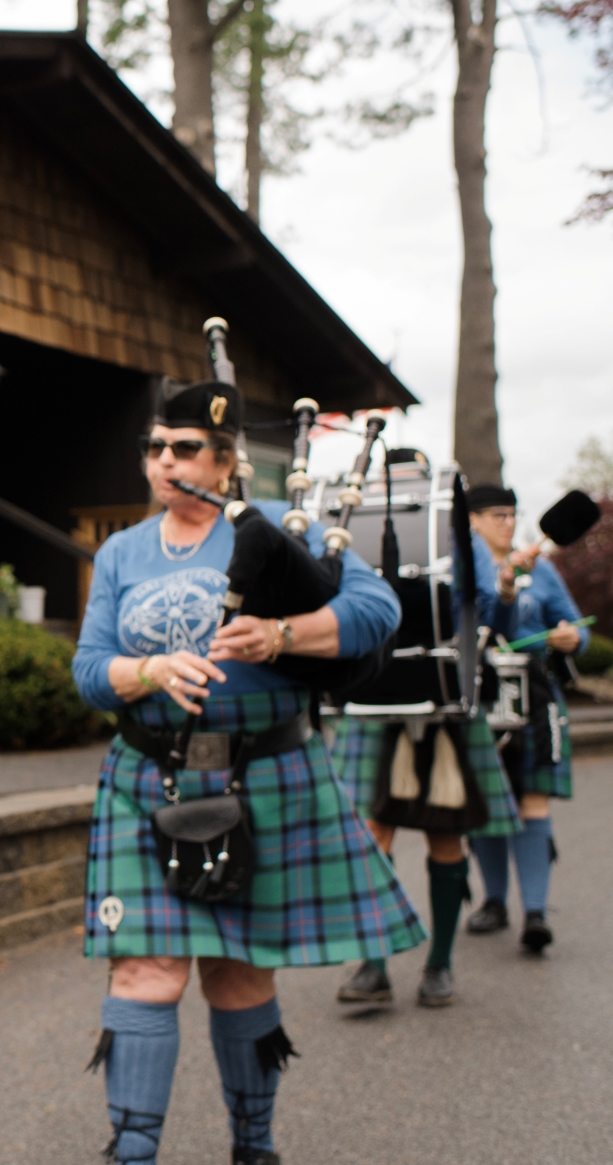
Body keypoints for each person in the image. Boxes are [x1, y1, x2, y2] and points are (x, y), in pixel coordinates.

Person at [73, 381, 418, 1165]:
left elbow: (377, 613)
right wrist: (151, 669)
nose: (165, 460)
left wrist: (282, 634)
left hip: (264, 774)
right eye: (155, 446)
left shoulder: (282, 537)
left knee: (237, 975)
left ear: (226, 464)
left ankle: (254, 1148)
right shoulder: (123, 551)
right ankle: (131, 1152)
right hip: (148, 777)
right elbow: (90, 670)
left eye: (184, 447)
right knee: (146, 972)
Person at [328, 472, 523, 1009]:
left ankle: (439, 964)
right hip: (374, 700)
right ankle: (373, 963)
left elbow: (493, 615)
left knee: (445, 836)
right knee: (373, 835)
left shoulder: (458, 535)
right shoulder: (349, 537)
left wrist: (506, 590)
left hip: (445, 701)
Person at [462, 484, 587, 953]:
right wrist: (506, 583)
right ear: (472, 521)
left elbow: (575, 625)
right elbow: (495, 625)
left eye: (512, 515)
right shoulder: (465, 573)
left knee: (534, 799)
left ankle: (534, 912)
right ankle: (494, 901)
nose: (508, 523)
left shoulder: (545, 571)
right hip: (481, 693)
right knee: (486, 803)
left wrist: (572, 639)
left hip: (534, 694)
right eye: (497, 515)